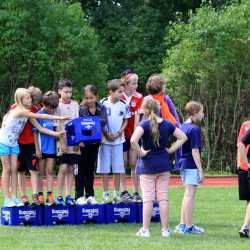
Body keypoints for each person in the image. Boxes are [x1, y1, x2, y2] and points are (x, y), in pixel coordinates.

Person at [0, 88, 67, 207]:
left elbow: (40, 128)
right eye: (27, 98)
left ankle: (15, 198)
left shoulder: (27, 112)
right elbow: (41, 116)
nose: (30, 99)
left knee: (15, 169)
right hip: (4, 142)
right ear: (20, 100)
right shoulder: (20, 111)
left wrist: (56, 134)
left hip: (14, 143)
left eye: (30, 97)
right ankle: (7, 199)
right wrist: (60, 118)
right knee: (7, 169)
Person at [131, 98, 187, 237]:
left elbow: (133, 140)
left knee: (148, 198)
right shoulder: (167, 124)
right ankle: (165, 230)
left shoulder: (143, 124)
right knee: (163, 198)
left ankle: (145, 229)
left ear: (146, 110)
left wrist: (141, 152)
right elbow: (183, 137)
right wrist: (170, 149)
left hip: (147, 165)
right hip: (163, 164)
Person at [97, 79, 130, 203]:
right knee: (104, 169)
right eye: (119, 92)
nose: (121, 94)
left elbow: (126, 120)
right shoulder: (102, 103)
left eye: (122, 92)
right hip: (105, 141)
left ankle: (116, 194)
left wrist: (118, 133)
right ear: (111, 92)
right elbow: (99, 121)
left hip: (118, 140)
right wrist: (106, 133)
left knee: (118, 169)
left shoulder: (123, 104)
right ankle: (105, 195)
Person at [175, 101, 205, 234]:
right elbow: (195, 151)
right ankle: (188, 226)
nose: (203, 114)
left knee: (187, 194)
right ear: (195, 112)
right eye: (202, 111)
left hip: (183, 163)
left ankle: (182, 224)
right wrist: (200, 169)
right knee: (190, 195)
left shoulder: (182, 126)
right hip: (191, 164)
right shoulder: (194, 129)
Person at [75, 85, 108, 205]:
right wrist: (79, 141)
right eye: (86, 98)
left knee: (90, 170)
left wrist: (92, 122)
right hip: (83, 144)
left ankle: (90, 195)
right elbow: (79, 125)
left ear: (96, 96)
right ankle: (78, 196)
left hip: (95, 143)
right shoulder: (81, 109)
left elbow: (104, 121)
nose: (89, 100)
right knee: (81, 170)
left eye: (91, 97)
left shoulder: (102, 107)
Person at [12, 86, 43, 206]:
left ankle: (35, 196)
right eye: (30, 99)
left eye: (34, 101)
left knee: (33, 170)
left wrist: (37, 148)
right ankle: (23, 197)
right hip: (17, 143)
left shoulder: (35, 110)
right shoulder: (14, 108)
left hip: (30, 144)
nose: (32, 103)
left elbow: (36, 130)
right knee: (20, 171)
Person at [145, 74, 181, 170]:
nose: (165, 87)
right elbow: (144, 116)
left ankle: (173, 165)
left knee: (167, 151)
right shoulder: (148, 100)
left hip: (167, 129)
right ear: (159, 87)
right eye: (164, 85)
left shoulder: (166, 98)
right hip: (153, 129)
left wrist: (178, 126)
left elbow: (173, 114)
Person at [55, 79, 80, 206]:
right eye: (65, 92)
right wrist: (62, 141)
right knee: (63, 168)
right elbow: (57, 125)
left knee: (71, 168)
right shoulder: (57, 106)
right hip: (62, 141)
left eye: (70, 92)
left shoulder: (76, 104)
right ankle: (59, 196)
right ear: (59, 91)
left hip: (74, 141)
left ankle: (69, 195)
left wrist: (77, 141)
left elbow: (77, 123)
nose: (68, 94)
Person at [120, 69, 143, 203]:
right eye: (133, 83)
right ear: (126, 83)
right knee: (122, 163)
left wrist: (135, 134)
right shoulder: (119, 96)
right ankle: (123, 191)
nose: (136, 85)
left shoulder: (139, 98)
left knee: (134, 163)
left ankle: (136, 192)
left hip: (133, 134)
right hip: (121, 135)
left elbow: (137, 117)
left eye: (137, 83)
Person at [34, 91, 60, 205]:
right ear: (44, 104)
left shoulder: (53, 116)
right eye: (50, 108)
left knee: (50, 171)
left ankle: (50, 195)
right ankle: (40, 195)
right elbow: (35, 134)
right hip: (41, 149)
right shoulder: (38, 115)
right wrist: (37, 149)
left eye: (54, 108)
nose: (52, 110)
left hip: (51, 149)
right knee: (40, 172)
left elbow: (56, 131)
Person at [237, 120, 250, 238]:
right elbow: (240, 144)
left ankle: (246, 226)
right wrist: (242, 163)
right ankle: (245, 226)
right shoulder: (246, 125)